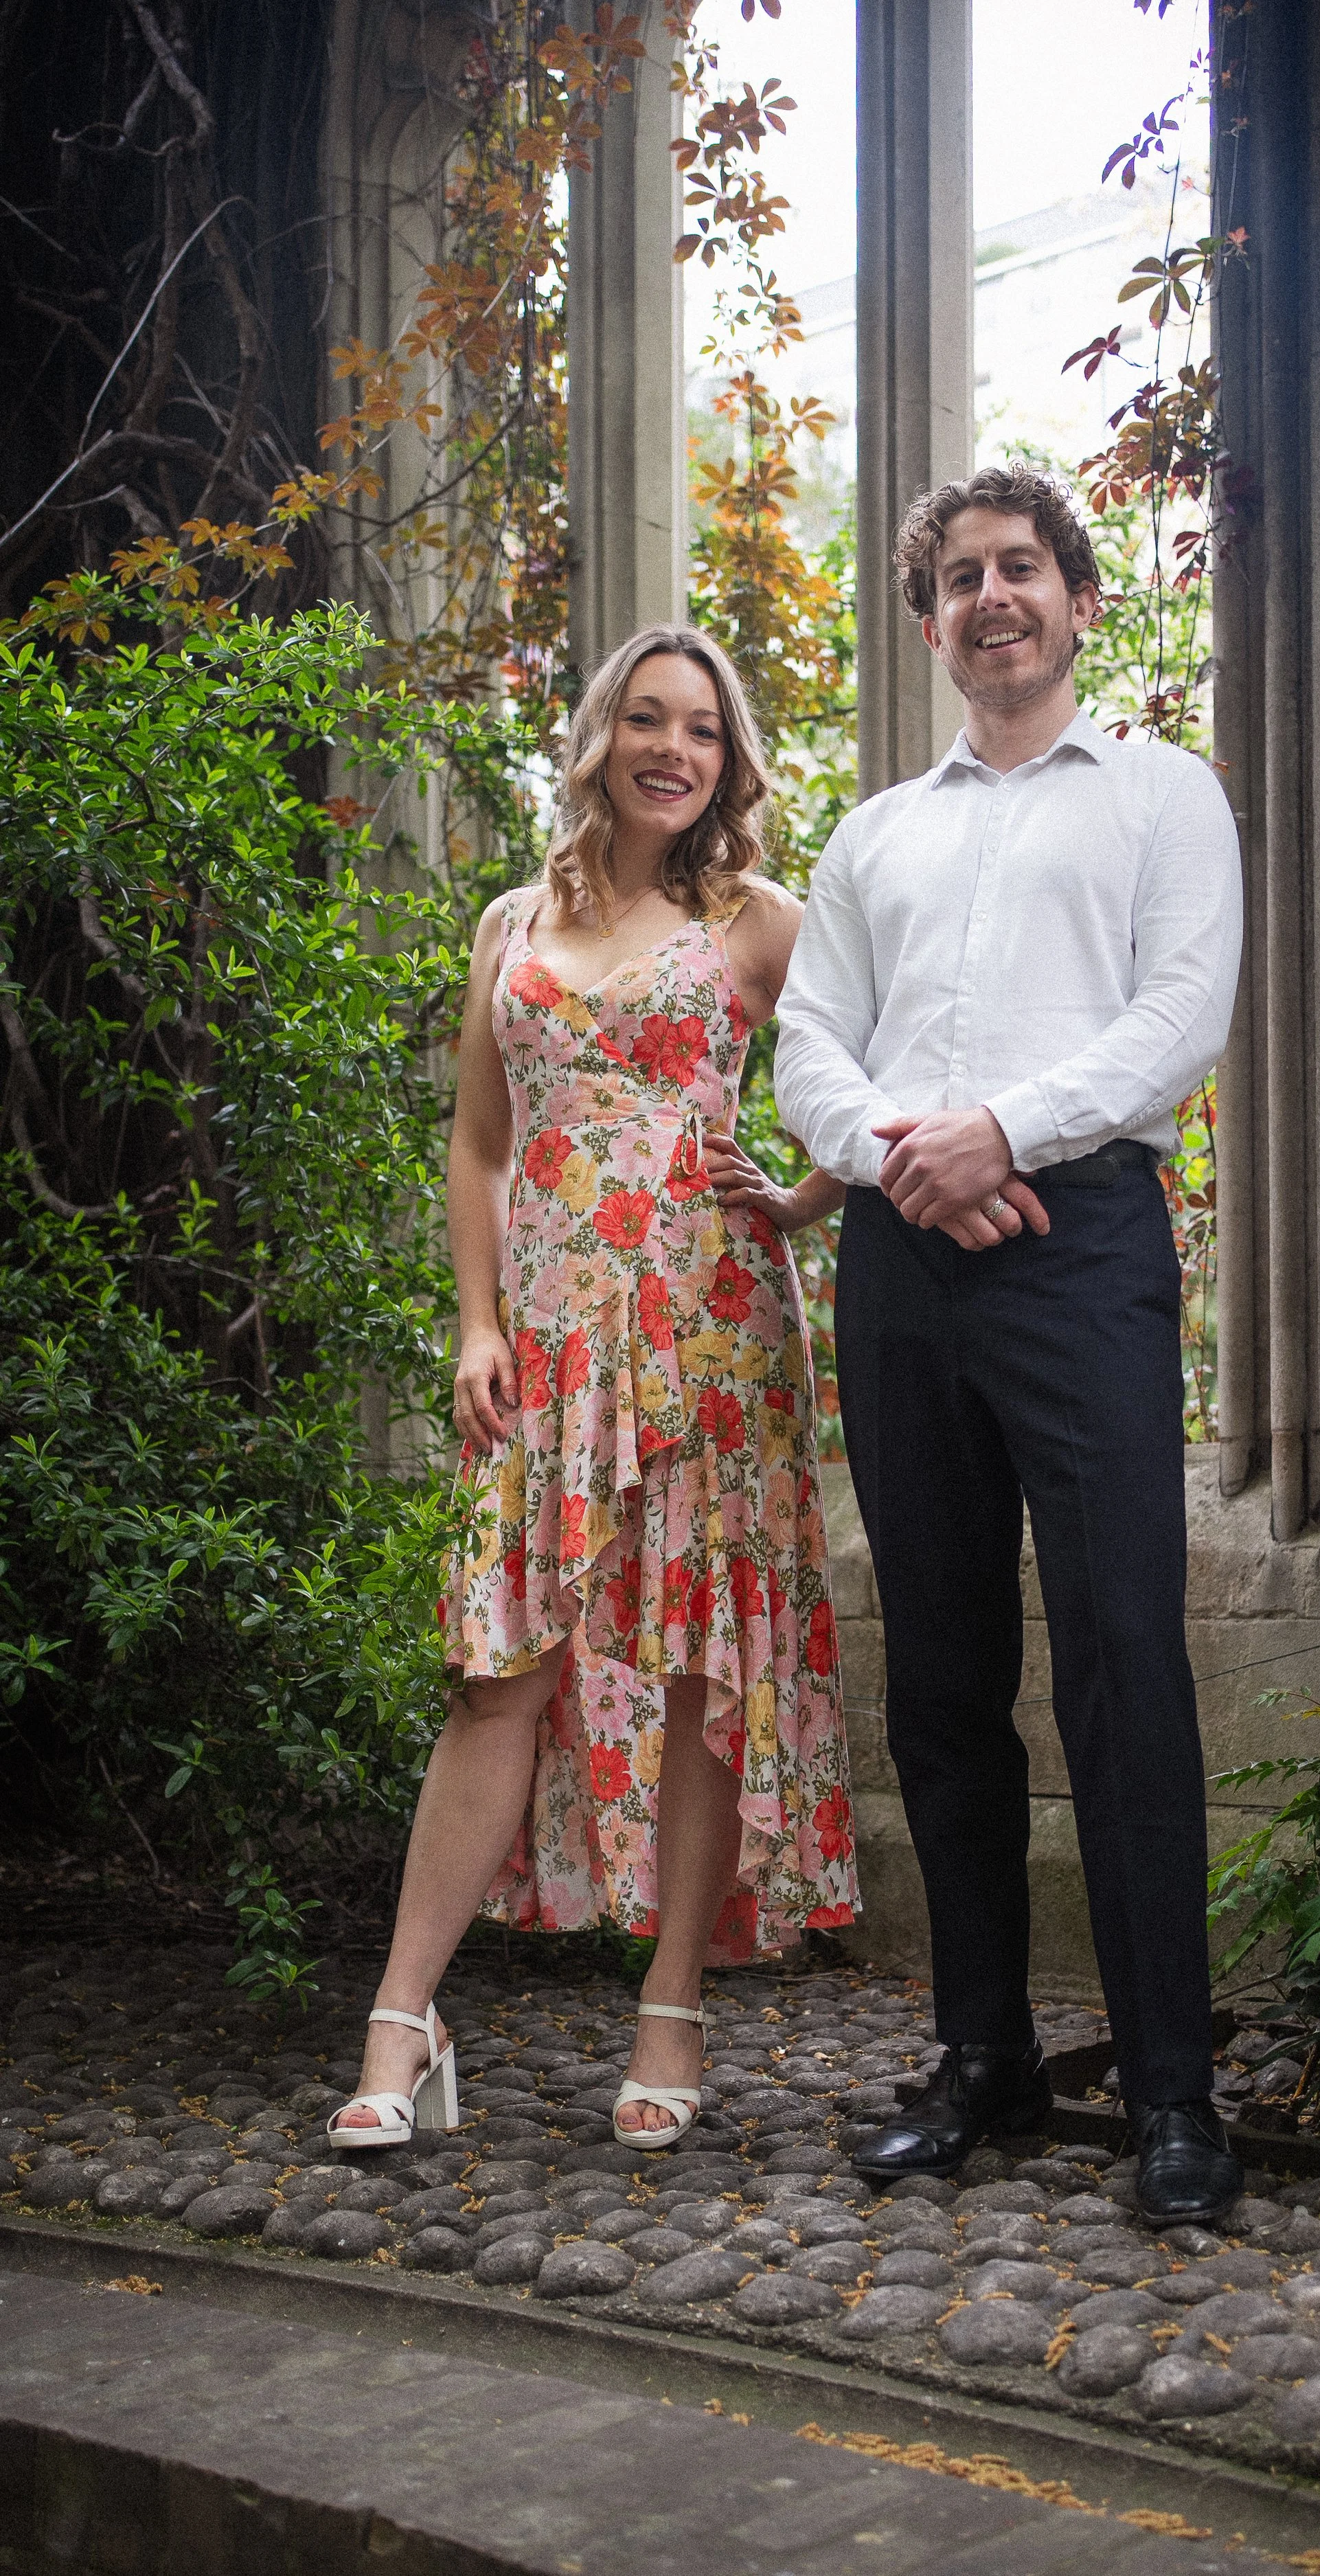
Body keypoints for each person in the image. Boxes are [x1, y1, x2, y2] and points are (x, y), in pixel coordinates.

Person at [774, 462, 1244, 2223]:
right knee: (943, 1679)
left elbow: (1176, 1018)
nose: (992, 597)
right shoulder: (872, 836)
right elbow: (812, 1042)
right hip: (900, 1267)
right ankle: (981, 2064)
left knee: (1126, 1658)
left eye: (1021, 567)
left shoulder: (1160, 795)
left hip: (1081, 1253)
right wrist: (906, 1154)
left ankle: (1172, 2095)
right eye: (961, 576)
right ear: (929, 622)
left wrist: (1001, 1134)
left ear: (1075, 597)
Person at [328, 624, 856, 2154]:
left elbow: (869, 1079)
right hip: (546, 1348)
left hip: (707, 1334)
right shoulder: (513, 925)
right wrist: (474, 1324)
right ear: (602, 736)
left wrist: (808, 1199)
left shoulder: (760, 922)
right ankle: (403, 2017)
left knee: (699, 1675)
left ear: (727, 757)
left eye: (700, 727)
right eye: (646, 719)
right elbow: (480, 1145)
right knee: (501, 1670)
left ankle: (671, 2008)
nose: (671, 749)